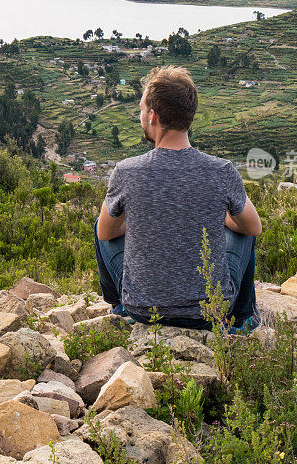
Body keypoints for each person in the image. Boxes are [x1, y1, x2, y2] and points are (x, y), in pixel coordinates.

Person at [94, 65, 262, 331]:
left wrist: (142, 220)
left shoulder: (127, 171)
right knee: (242, 230)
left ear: (152, 116)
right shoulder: (222, 170)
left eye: (141, 109)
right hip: (210, 311)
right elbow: (254, 227)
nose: (140, 116)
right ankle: (241, 320)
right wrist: (221, 219)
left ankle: (119, 308)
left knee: (102, 221)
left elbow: (106, 234)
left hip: (143, 310)